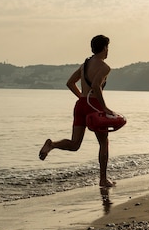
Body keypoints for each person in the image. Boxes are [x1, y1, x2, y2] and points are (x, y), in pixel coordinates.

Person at [38, 35, 117, 187]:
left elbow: (70, 83)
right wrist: (105, 107)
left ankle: (52, 144)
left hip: (80, 105)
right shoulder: (105, 67)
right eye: (108, 48)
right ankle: (103, 179)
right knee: (103, 143)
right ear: (104, 48)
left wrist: (82, 97)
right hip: (94, 106)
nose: (108, 51)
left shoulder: (84, 65)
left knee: (75, 144)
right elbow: (96, 86)